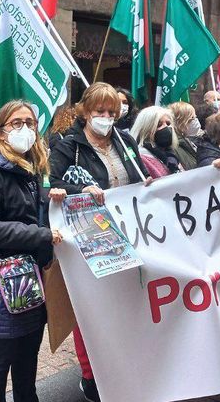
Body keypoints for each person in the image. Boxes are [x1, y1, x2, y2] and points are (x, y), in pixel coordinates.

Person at [49, 82, 149, 401]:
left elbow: (141, 175)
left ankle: (124, 363)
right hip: (89, 238)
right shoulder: (69, 146)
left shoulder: (126, 140)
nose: (106, 117)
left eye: (111, 112)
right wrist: (80, 192)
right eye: (99, 112)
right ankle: (90, 374)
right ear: (86, 112)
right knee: (89, 306)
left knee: (124, 301)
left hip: (130, 234)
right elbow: (48, 183)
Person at [0, 100, 66, 402]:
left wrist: (55, 199)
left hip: (32, 277)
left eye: (30, 123)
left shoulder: (31, 168)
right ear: (0, 131)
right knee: (0, 357)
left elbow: (29, 211)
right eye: (16, 123)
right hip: (1, 280)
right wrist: (42, 235)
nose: (25, 129)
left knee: (28, 354)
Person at [131, 106, 184, 178]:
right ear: (145, 128)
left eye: (168, 124)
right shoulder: (142, 157)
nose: (166, 127)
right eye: (159, 124)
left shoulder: (170, 154)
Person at [168, 102, 201, 170]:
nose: (195, 120)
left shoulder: (185, 140)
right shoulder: (174, 146)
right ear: (181, 121)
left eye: (195, 117)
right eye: (192, 118)